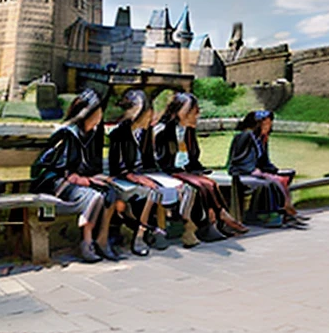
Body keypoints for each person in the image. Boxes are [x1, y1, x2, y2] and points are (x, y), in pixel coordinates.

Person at [30, 88, 120, 263]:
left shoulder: (93, 134)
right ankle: (86, 241)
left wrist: (99, 178)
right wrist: (86, 180)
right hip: (57, 186)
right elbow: (61, 171)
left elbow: (89, 167)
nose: (99, 119)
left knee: (109, 192)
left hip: (77, 184)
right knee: (94, 196)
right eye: (96, 115)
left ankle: (100, 240)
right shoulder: (67, 134)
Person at [154, 92, 248, 243]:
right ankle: (216, 219)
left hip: (185, 170)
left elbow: (193, 157)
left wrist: (194, 169)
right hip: (167, 172)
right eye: (191, 112)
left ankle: (217, 220)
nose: (195, 116)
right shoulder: (163, 130)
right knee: (201, 186)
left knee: (210, 184)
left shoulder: (189, 131)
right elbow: (162, 160)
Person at [108, 89, 173, 256]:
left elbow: (149, 162)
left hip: (138, 176)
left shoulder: (145, 134)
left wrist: (158, 177)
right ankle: (140, 235)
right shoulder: (119, 133)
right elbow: (117, 166)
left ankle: (157, 230)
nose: (151, 117)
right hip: (121, 179)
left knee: (159, 188)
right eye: (148, 113)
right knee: (151, 192)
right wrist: (137, 178)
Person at [228, 110, 309, 227]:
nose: (268, 127)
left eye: (269, 124)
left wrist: (274, 171)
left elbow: (264, 161)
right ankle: (271, 214)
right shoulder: (245, 136)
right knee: (271, 182)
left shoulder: (261, 138)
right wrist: (254, 170)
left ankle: (286, 212)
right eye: (265, 124)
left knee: (285, 176)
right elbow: (238, 159)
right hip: (242, 171)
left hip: (255, 170)